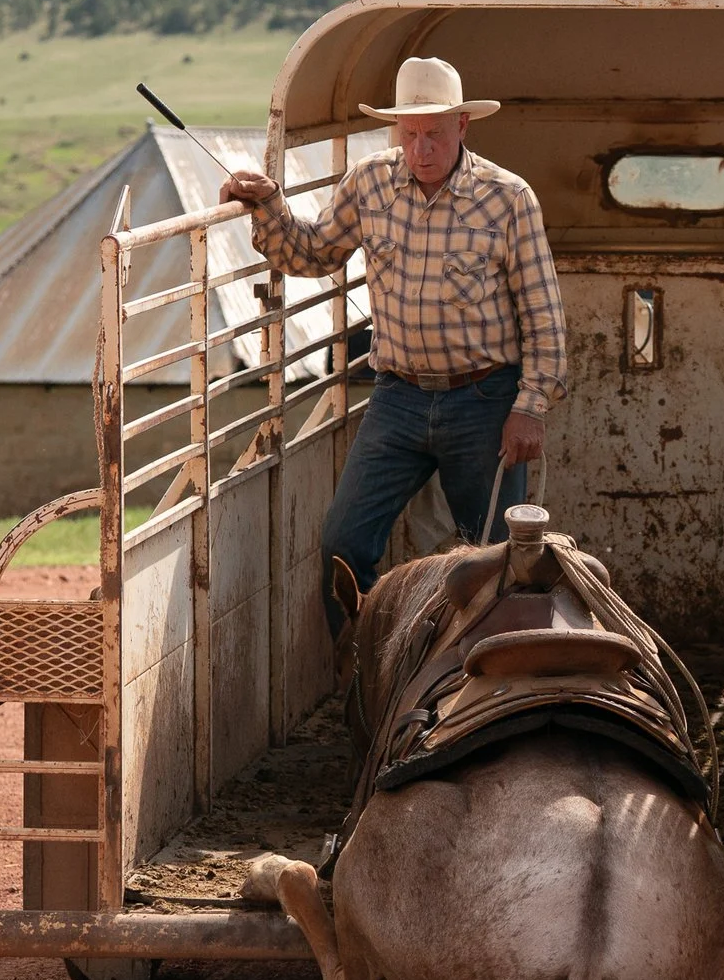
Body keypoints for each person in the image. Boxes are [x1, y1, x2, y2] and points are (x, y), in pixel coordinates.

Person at [225, 56, 566, 630]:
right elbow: (312, 253)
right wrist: (269, 206)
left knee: (499, 558)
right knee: (343, 540)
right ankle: (359, 681)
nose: (420, 149)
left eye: (434, 133)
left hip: (484, 401)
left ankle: (489, 691)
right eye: (409, 134)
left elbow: (544, 315)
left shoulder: (509, 199)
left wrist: (529, 409)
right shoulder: (369, 183)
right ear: (395, 131)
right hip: (398, 398)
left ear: (463, 126)